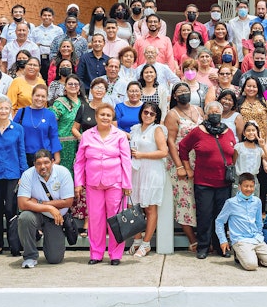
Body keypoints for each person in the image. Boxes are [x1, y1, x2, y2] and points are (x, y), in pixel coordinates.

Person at [178, 97, 237, 259]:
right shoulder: (198, 131)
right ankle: (203, 247)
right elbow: (182, 148)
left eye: (217, 112)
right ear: (206, 114)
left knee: (222, 215)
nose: (215, 115)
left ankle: (221, 246)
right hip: (203, 182)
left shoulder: (228, 131)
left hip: (224, 182)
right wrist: (187, 167)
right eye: (211, 112)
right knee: (204, 215)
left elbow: (234, 151)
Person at [75, 104, 133, 264]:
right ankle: (96, 253)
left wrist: (127, 184)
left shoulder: (120, 135)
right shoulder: (87, 135)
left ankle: (115, 254)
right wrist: (78, 182)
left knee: (115, 218)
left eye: (108, 115)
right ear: (96, 117)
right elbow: (79, 161)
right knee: (95, 219)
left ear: (112, 117)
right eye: (102, 115)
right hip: (93, 183)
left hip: (115, 183)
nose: (105, 117)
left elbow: (126, 161)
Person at [16, 149, 75, 268]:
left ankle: (44, 236)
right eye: (39, 163)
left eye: (46, 162)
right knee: (25, 217)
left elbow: (68, 202)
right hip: (36, 214)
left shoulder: (63, 173)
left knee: (55, 259)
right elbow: (22, 204)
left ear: (53, 162)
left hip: (56, 218)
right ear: (34, 165)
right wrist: (49, 208)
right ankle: (30, 256)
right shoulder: (28, 174)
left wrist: (44, 204)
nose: (43, 166)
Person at [0, 96, 26, 256]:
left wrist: (23, 173)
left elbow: (21, 151)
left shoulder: (17, 129)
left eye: (6, 108)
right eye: (0, 108)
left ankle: (14, 244)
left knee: (10, 209)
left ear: (10, 111)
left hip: (12, 174)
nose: (3, 111)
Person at [166, 84, 204, 251]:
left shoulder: (199, 110)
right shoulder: (172, 114)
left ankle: (204, 235)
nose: (183, 94)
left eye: (186, 91)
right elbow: (171, 142)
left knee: (199, 199)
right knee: (185, 200)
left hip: (201, 161)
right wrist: (180, 166)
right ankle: (192, 239)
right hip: (181, 161)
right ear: (174, 96)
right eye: (179, 92)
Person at [214, 172, 267, 270]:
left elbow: (258, 221)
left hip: (255, 238)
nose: (249, 189)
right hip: (240, 239)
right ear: (239, 187)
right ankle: (241, 255)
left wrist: (259, 234)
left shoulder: (257, 201)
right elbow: (219, 221)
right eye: (246, 186)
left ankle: (251, 255)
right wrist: (223, 240)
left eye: (251, 186)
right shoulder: (231, 203)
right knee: (251, 266)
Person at [128, 103, 168, 257]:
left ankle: (146, 243)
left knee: (150, 208)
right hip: (136, 170)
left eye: (152, 113)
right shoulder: (135, 129)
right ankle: (136, 240)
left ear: (156, 116)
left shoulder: (157, 129)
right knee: (133, 207)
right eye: (146, 112)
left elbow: (164, 152)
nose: (148, 115)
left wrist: (142, 155)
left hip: (152, 171)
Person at [15, 84, 61, 167]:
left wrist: (57, 158)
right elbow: (14, 133)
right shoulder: (22, 112)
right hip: (24, 155)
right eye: (37, 95)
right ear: (32, 96)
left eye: (43, 96)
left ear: (47, 98)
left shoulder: (50, 115)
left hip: (44, 156)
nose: (40, 99)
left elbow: (53, 136)